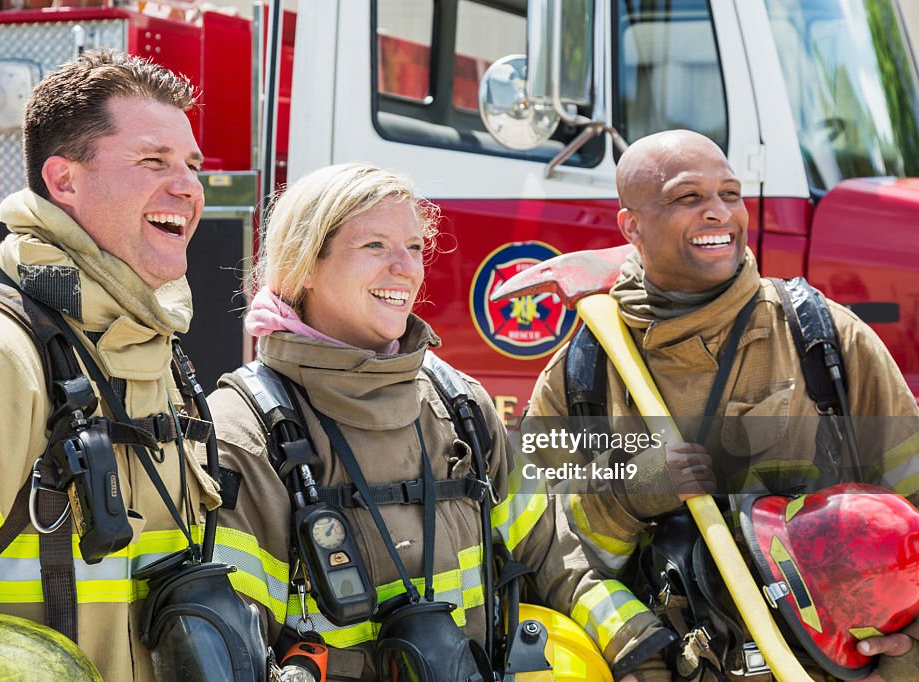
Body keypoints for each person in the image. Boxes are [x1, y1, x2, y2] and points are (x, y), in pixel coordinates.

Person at [199, 162, 671, 681]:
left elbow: (555, 557)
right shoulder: (246, 431)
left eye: (415, 247)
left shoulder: (461, 407)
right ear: (302, 265)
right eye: (375, 246)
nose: (406, 268)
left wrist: (639, 651)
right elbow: (231, 650)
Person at [525, 129, 919, 681]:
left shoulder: (824, 340)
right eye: (689, 198)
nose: (720, 213)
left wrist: (906, 662)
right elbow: (544, 556)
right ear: (631, 226)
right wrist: (630, 495)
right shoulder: (581, 373)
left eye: (730, 195)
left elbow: (914, 512)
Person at [0, 49, 221, 681]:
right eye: (153, 160)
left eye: (192, 165)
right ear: (64, 180)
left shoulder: (152, 360)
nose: (187, 185)